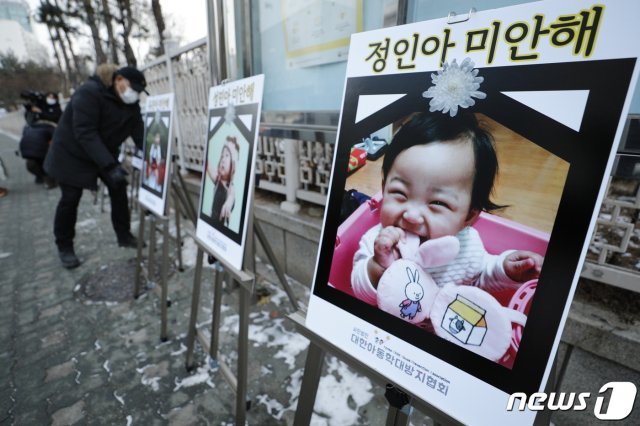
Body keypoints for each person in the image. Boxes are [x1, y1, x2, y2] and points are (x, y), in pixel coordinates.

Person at [351, 111, 543, 306]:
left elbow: (480, 278)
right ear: (384, 189)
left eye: (438, 203)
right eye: (400, 193)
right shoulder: (377, 241)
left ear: (468, 216)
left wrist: (505, 269)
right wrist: (377, 267)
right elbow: (359, 290)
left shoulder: (467, 246)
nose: (412, 215)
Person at [44, 64, 149, 269]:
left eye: (138, 91)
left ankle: (124, 235)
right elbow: (85, 132)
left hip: (101, 152)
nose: (134, 94)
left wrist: (155, 153)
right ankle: (64, 246)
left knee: (118, 187)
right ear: (118, 80)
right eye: (132, 88)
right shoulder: (89, 93)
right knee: (70, 198)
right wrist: (110, 165)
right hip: (72, 154)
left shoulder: (131, 104)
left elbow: (138, 131)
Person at [19, 92, 61, 188]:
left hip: (46, 143)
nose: (50, 98)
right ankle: (46, 177)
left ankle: (49, 177)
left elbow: (56, 117)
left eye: (53, 97)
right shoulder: (35, 117)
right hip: (40, 147)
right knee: (36, 161)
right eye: (49, 96)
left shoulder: (55, 111)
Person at [206, 136, 238, 225]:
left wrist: (228, 203)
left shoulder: (230, 187)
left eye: (227, 156)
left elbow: (231, 195)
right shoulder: (217, 180)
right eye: (222, 156)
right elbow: (207, 164)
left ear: (233, 165)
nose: (223, 160)